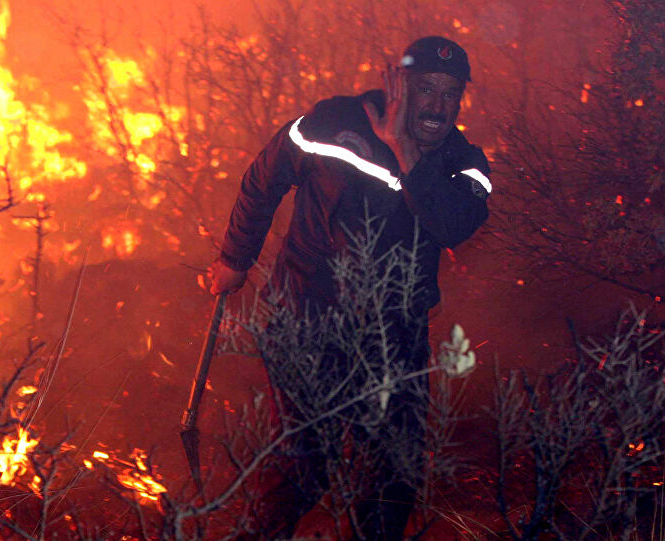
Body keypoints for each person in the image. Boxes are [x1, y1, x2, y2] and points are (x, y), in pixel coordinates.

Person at [208, 36, 491, 539]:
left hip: (395, 338)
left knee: (392, 477)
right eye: (427, 89)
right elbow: (263, 178)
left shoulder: (464, 162)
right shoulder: (332, 124)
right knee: (304, 467)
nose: (438, 106)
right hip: (308, 321)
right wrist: (234, 258)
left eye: (451, 94)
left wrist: (406, 153)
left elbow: (454, 225)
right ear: (399, 84)